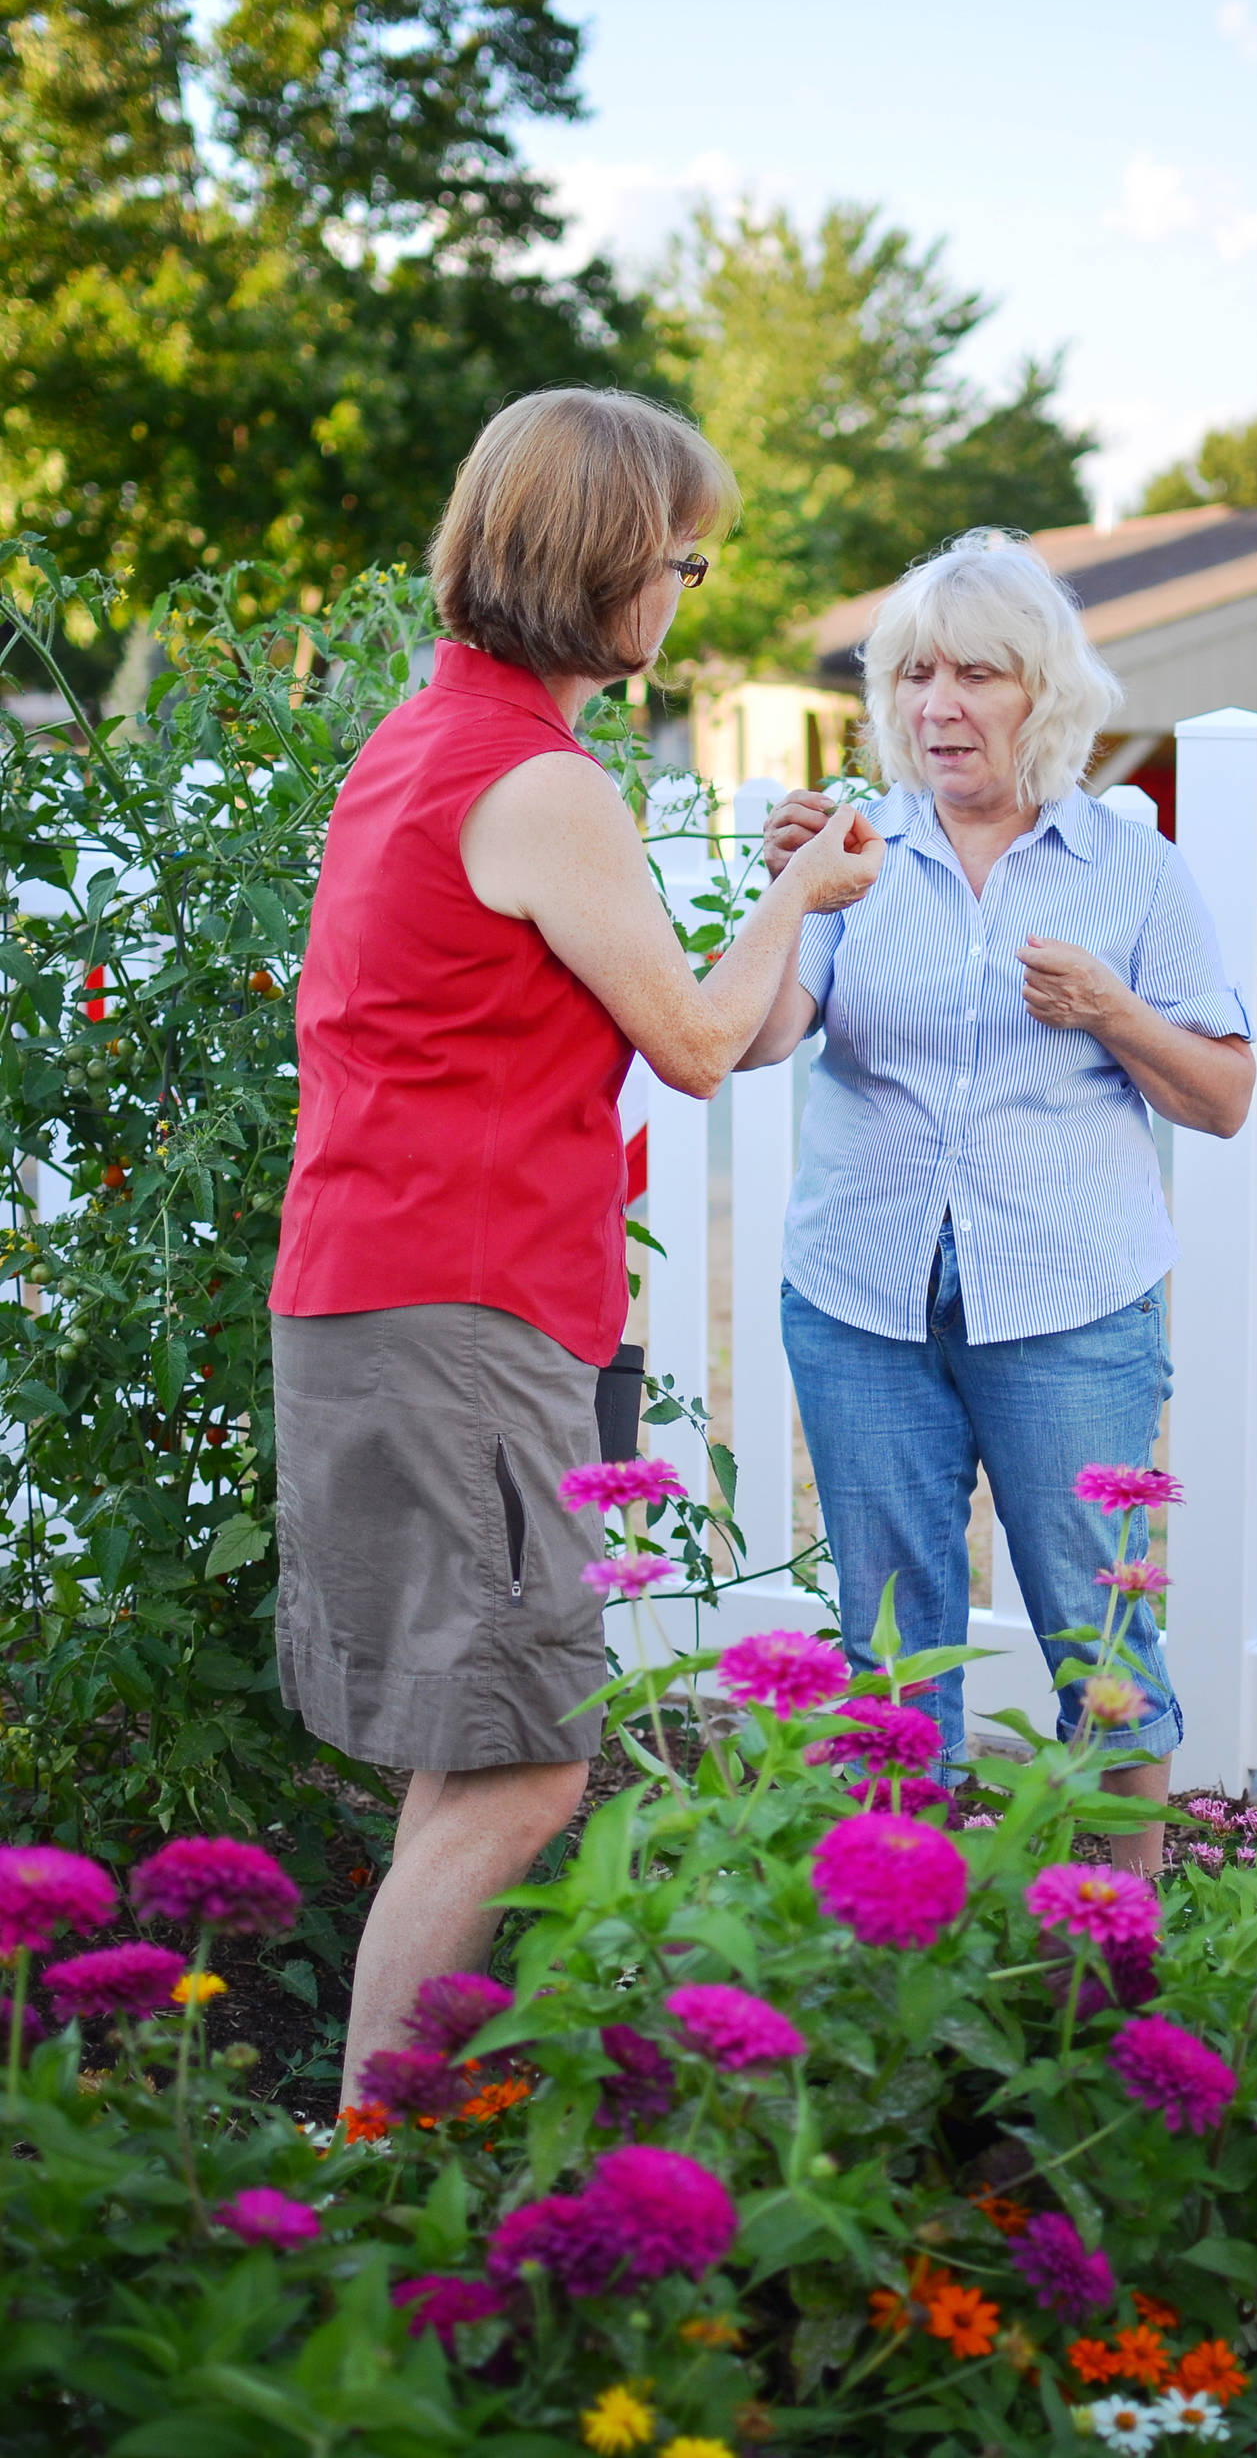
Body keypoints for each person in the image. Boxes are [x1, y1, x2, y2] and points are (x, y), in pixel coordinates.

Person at [269, 389, 882, 2102]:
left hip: (407, 1293)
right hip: (461, 1308)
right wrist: (794, 904)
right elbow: (695, 1048)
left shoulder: (429, 739)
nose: (690, 593)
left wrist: (783, 911)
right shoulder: (537, 781)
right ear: (605, 563)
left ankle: (368, 2143)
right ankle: (366, 2166)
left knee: (471, 1759)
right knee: (527, 1772)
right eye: (684, 558)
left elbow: (722, 1029)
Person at [743, 532, 1253, 1871]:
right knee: (892, 1655)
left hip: (1071, 1303)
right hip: (862, 1300)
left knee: (1102, 1636)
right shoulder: (851, 853)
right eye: (915, 676)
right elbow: (756, 1036)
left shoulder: (1131, 869)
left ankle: (1115, 1966)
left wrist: (1112, 1010)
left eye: (976, 674)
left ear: (1045, 696)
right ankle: (904, 1946)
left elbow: (1221, 1096)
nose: (939, 706)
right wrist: (789, 888)